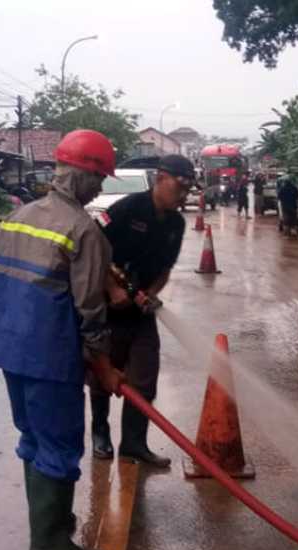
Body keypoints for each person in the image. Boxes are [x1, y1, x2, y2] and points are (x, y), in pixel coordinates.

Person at [0, 129, 124, 550]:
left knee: (32, 439)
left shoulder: (19, 217)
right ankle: (50, 546)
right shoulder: (82, 230)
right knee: (58, 445)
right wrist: (104, 366)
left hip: (7, 348)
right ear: (80, 175)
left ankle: (51, 525)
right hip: (49, 355)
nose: (99, 188)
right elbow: (90, 312)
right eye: (98, 178)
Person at [88, 154, 193, 468]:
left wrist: (150, 294)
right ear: (161, 178)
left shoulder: (177, 223)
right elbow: (94, 246)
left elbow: (164, 269)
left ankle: (134, 444)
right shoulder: (127, 208)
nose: (185, 193)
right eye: (180, 185)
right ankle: (100, 433)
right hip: (109, 309)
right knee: (103, 375)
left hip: (140, 313)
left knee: (144, 379)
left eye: (190, 188)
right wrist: (112, 288)